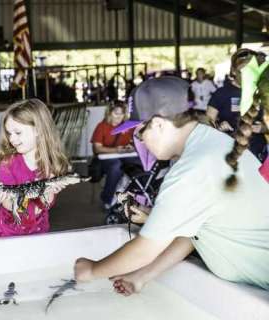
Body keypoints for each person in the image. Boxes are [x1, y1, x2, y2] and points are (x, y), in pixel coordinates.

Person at [74, 76, 269, 293]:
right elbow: (194, 232)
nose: (141, 142)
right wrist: (141, 276)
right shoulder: (215, 142)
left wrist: (91, 270)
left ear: (158, 123)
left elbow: (144, 250)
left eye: (139, 133)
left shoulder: (192, 168)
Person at [0, 99, 72, 237]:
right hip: (8, 233)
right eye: (9, 133)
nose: (12, 139)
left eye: (17, 132)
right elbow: (7, 203)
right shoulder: (7, 164)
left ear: (38, 130)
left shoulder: (50, 165)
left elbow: (48, 203)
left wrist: (48, 195)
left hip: (39, 231)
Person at [207, 49, 267, 161]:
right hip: (229, 152)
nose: (249, 75)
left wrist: (263, 128)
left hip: (257, 154)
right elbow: (207, 122)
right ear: (234, 71)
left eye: (252, 71)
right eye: (244, 71)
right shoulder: (222, 93)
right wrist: (218, 127)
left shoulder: (262, 92)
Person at [91, 101, 136, 209]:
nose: (119, 117)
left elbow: (137, 140)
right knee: (116, 167)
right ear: (109, 113)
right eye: (116, 113)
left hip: (125, 157)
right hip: (105, 159)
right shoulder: (102, 126)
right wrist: (116, 150)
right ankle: (108, 198)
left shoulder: (127, 126)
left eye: (122, 113)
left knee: (139, 165)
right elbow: (97, 149)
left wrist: (131, 146)